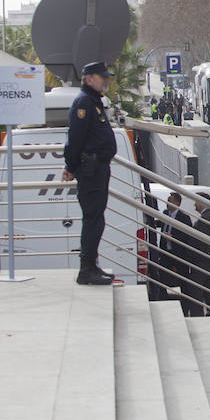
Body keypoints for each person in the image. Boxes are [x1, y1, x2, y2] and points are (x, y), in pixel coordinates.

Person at [62, 61, 118, 285]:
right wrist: (71, 166)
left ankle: (91, 264)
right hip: (91, 170)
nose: (105, 80)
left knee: (96, 219)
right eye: (101, 76)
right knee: (93, 219)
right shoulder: (83, 102)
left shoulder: (94, 101)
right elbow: (75, 139)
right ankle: (86, 269)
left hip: (98, 169)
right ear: (88, 79)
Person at [155, 192, 194, 312]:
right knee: (159, 275)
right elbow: (160, 224)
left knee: (184, 281)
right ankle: (163, 300)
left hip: (179, 254)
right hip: (166, 253)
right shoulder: (166, 214)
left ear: (177, 203)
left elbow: (187, 236)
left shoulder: (184, 218)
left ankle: (186, 307)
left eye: (170, 200)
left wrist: (173, 237)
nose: (167, 203)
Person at [191, 192, 210, 320]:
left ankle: (198, 316)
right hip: (208, 258)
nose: (194, 204)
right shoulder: (208, 216)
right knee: (209, 288)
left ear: (202, 202)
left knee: (195, 288)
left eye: (196, 201)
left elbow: (200, 240)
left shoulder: (206, 218)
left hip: (203, 259)